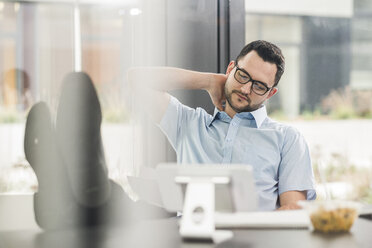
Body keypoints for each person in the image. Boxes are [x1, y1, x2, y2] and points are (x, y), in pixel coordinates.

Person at [127, 40, 316, 211]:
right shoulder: (188, 123)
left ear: (270, 94)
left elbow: (294, 212)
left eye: (258, 86)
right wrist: (208, 81)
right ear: (230, 69)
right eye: (242, 75)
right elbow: (137, 79)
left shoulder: (288, 139)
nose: (245, 89)